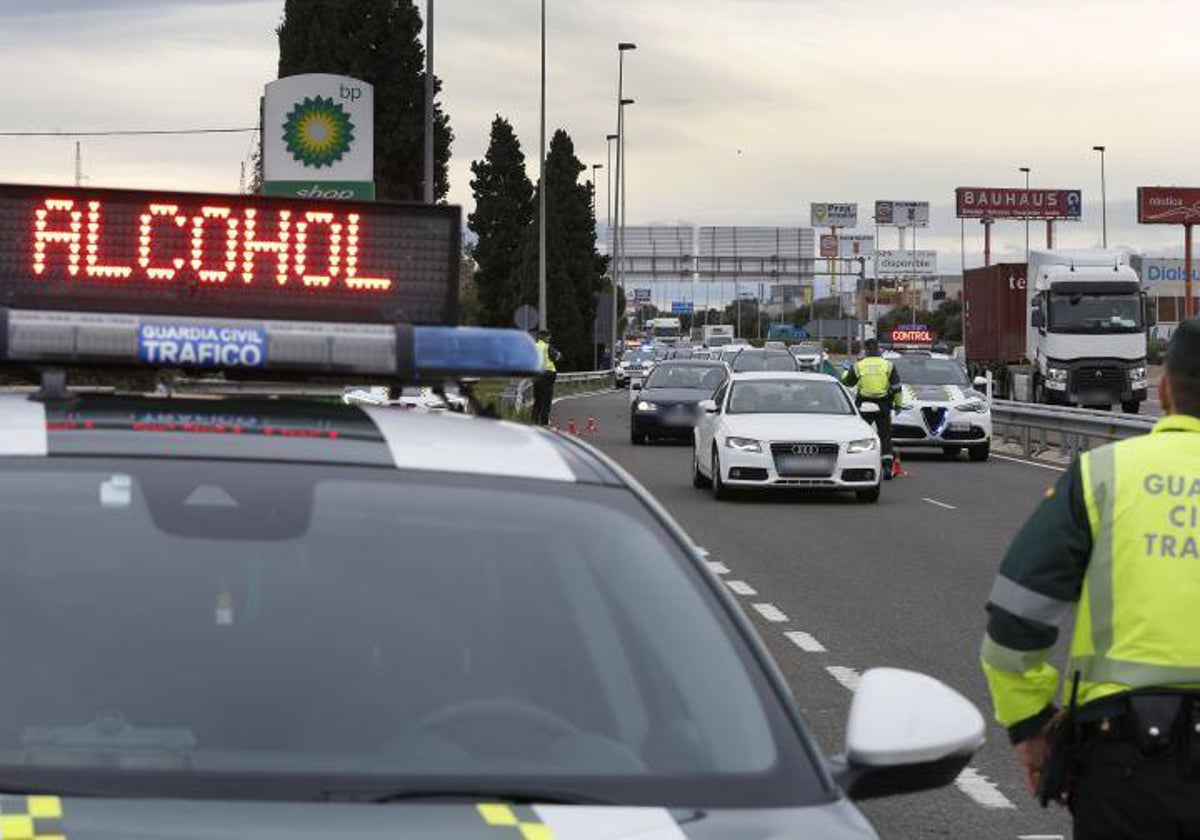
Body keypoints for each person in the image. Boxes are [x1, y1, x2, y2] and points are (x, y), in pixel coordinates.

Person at [980, 317, 1200, 839]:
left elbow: (1014, 625)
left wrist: (1031, 727)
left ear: (1163, 389)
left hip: (1130, 764)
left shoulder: (1103, 475)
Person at [841, 339, 901, 477]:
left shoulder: (858, 365)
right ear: (878, 349)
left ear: (866, 350)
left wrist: (845, 370)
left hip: (863, 403)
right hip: (883, 404)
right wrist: (898, 404)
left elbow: (847, 382)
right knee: (885, 435)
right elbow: (897, 388)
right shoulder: (888, 365)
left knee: (859, 436)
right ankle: (886, 466)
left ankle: (857, 464)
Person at [532, 329, 560, 427]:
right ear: (543, 337)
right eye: (548, 336)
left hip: (536, 376)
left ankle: (534, 422)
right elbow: (555, 357)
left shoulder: (533, 346)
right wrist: (558, 355)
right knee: (546, 400)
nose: (550, 338)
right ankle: (544, 423)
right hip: (547, 376)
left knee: (537, 400)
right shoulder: (547, 347)